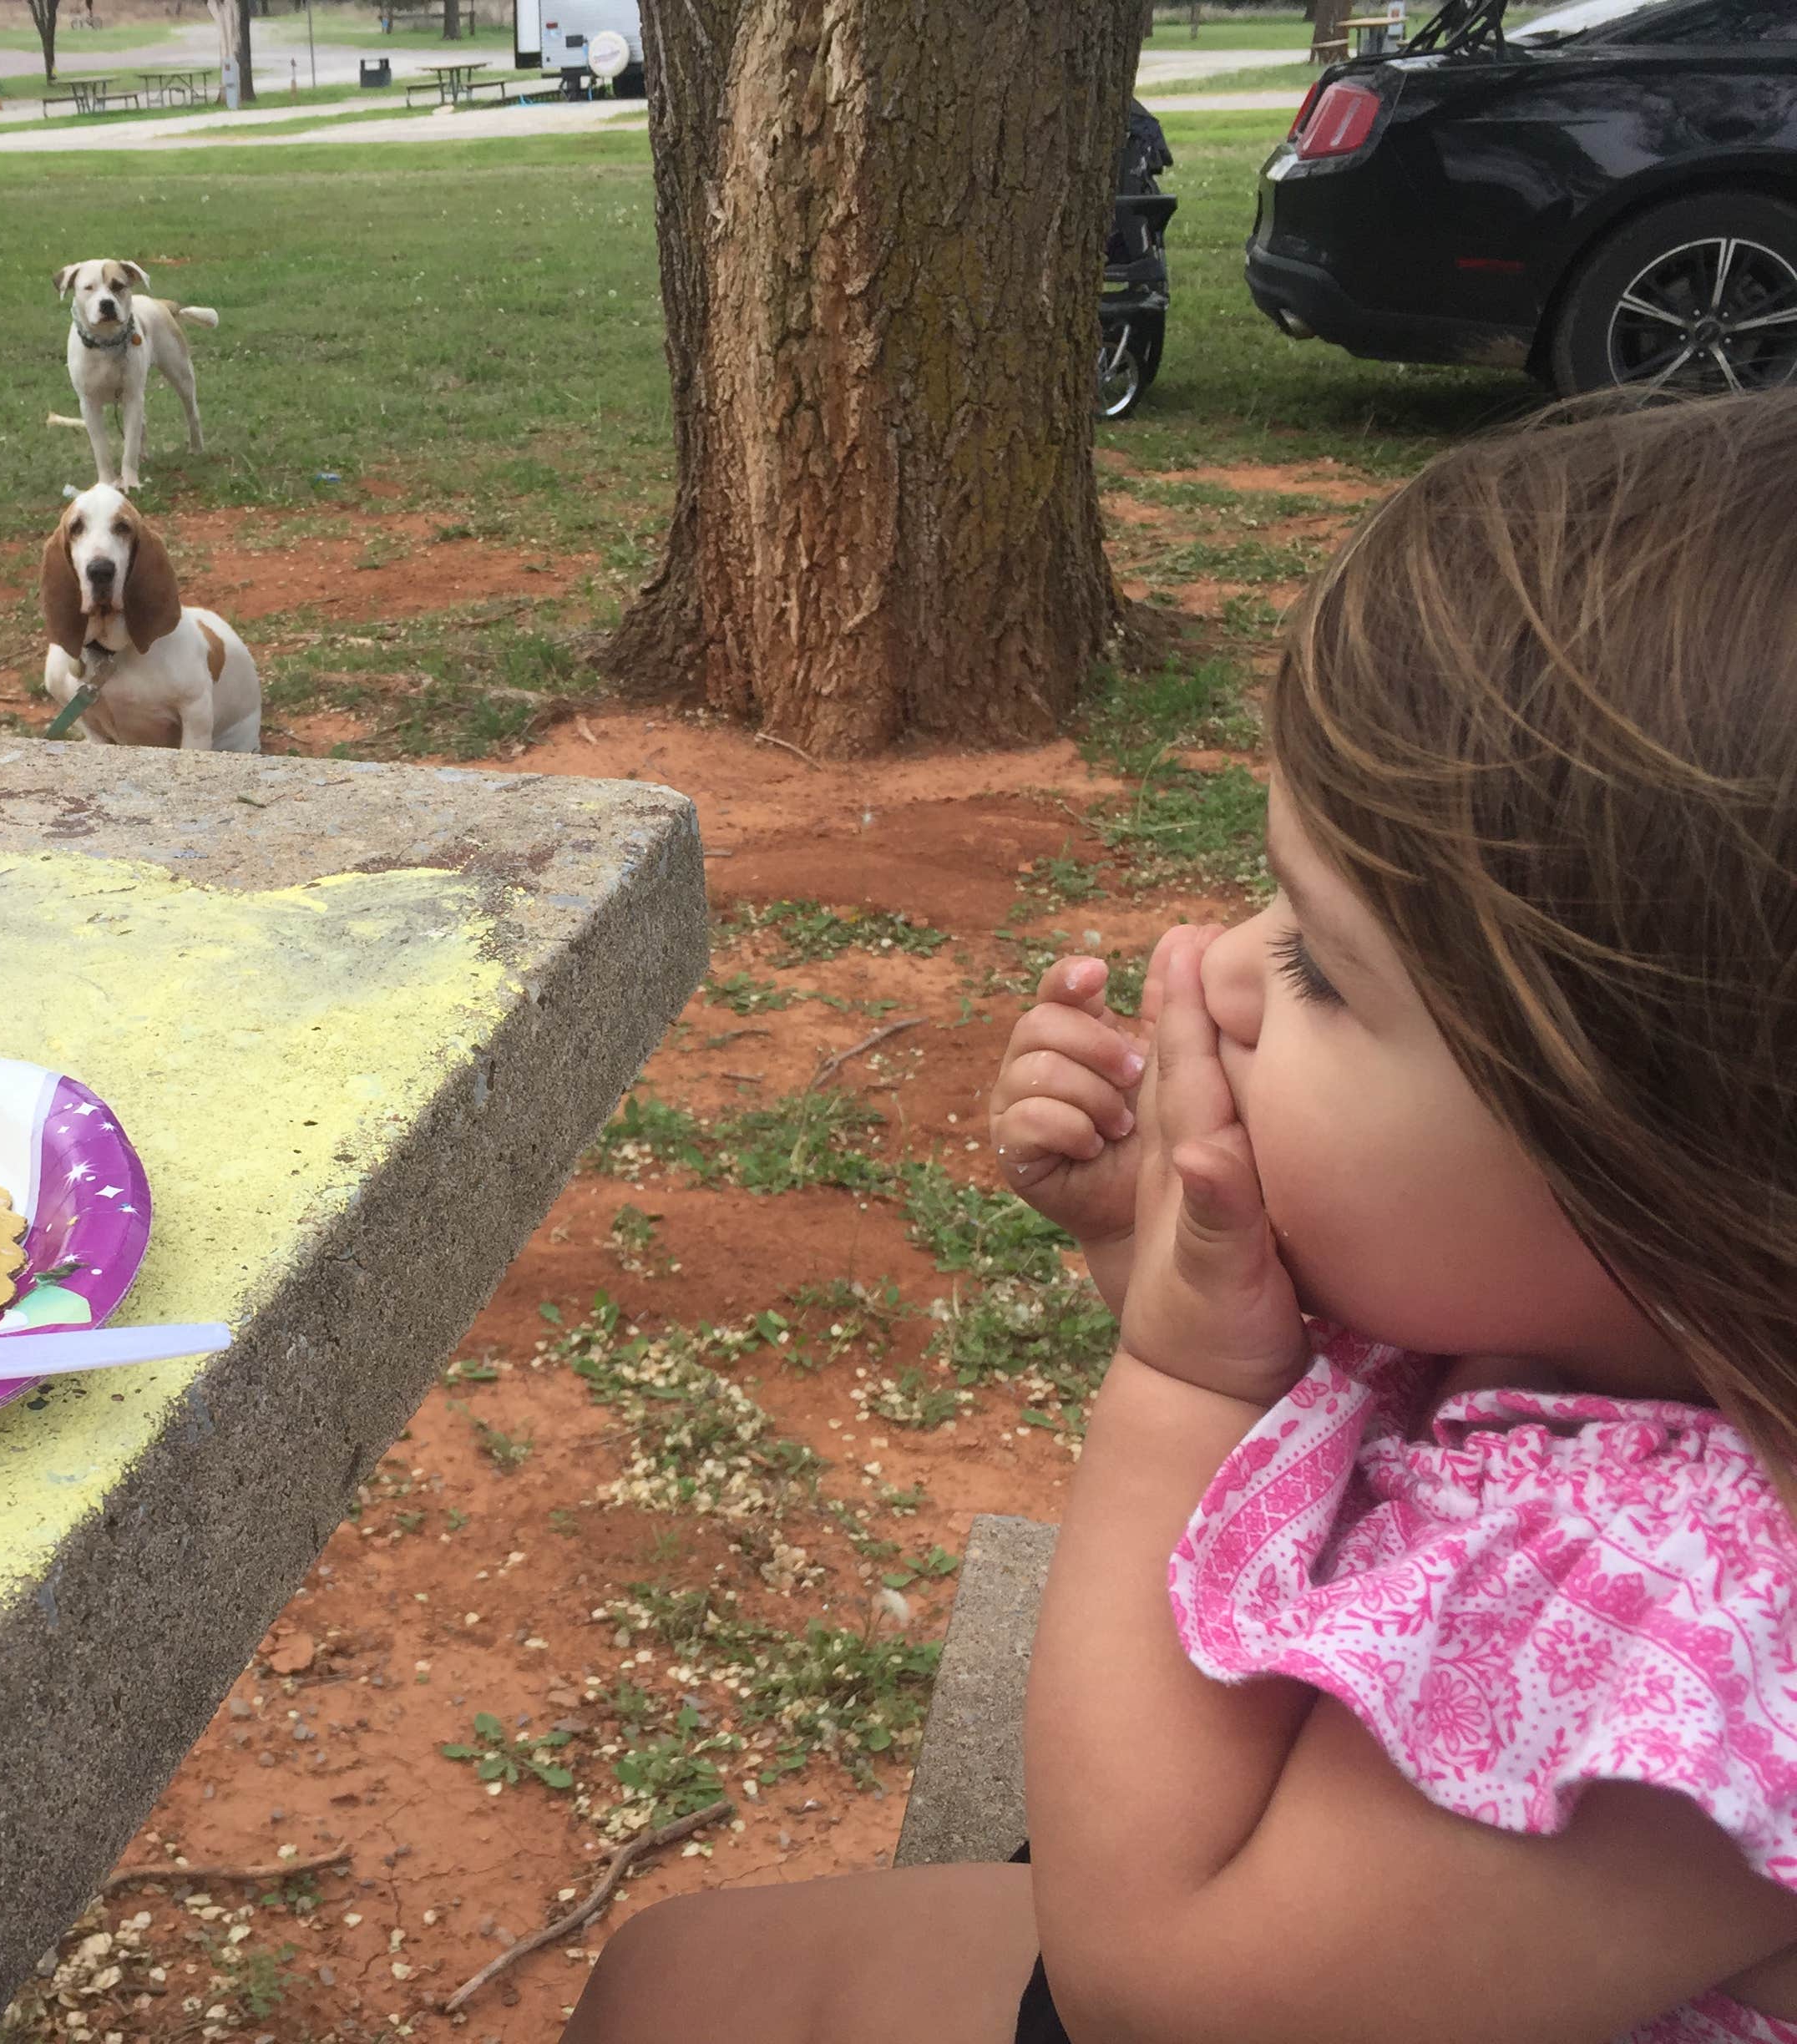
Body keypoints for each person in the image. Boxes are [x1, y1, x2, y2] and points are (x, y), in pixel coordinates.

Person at [562, 387, 1797, 2044]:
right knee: (673, 1973)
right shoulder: (1583, 1321)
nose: (1220, 969)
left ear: (1673, 1176)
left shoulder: (1696, 1633)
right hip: (1257, 1855)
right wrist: (1154, 1257)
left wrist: (1182, 1379)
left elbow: (1153, 1985)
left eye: (1321, 970)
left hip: (1183, 1946)